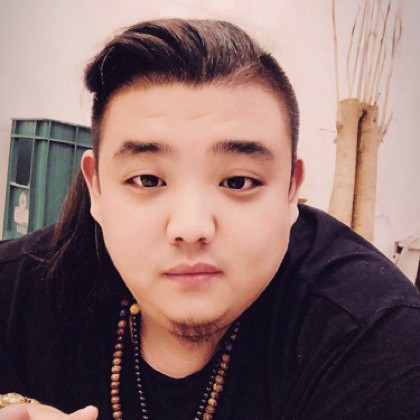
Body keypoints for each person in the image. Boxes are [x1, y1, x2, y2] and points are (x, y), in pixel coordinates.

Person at [0, 18, 419, 420]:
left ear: (292, 190)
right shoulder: (18, 291)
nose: (191, 228)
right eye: (148, 180)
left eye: (238, 182)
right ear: (96, 187)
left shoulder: (374, 340)